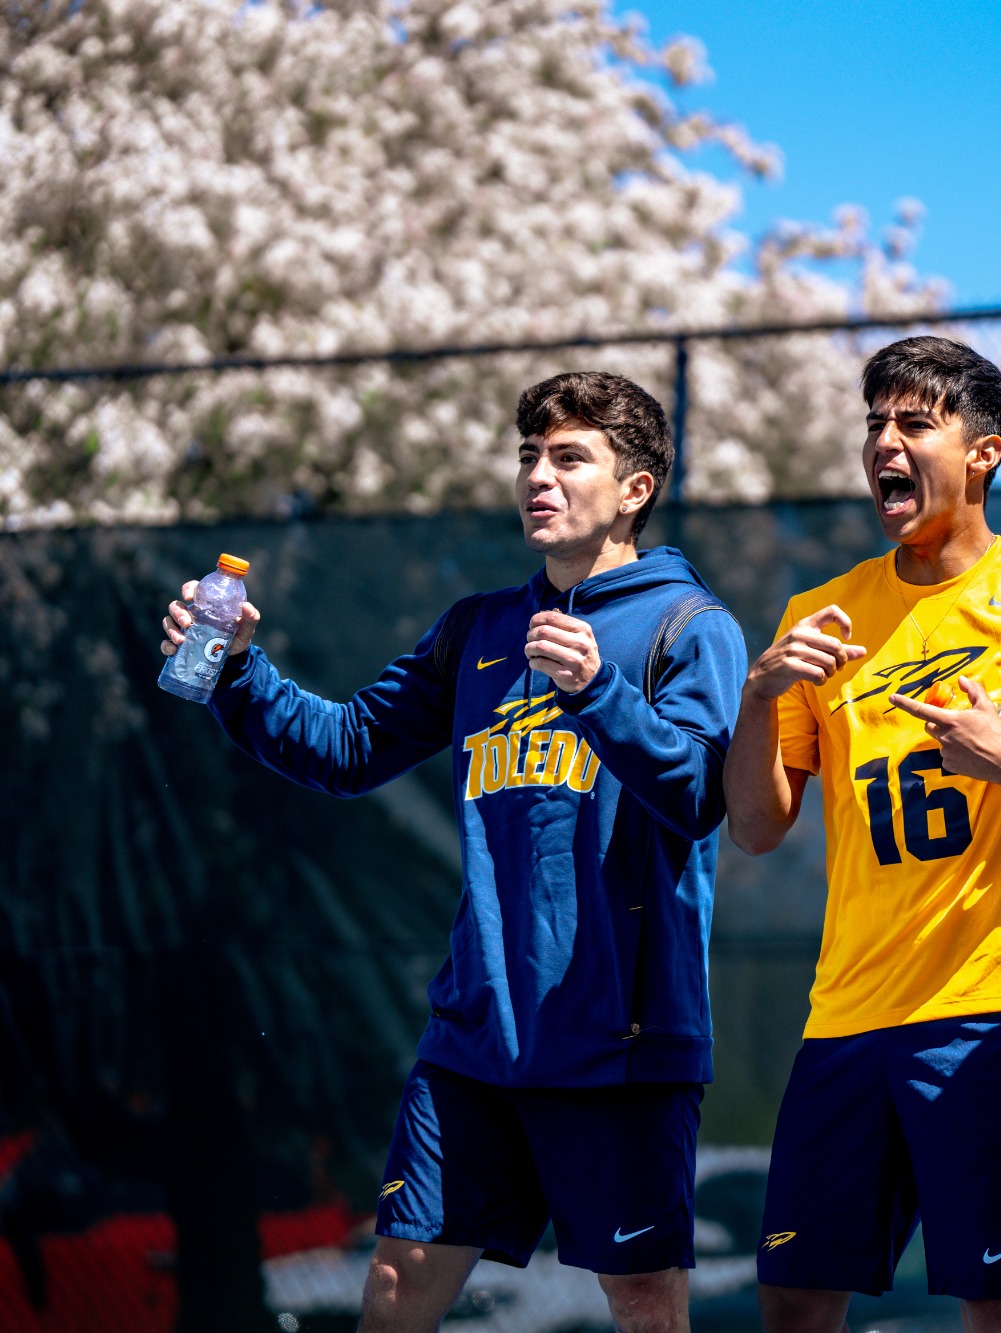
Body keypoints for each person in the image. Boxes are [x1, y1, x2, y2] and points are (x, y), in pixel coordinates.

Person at [159, 371, 747, 1333]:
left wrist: (600, 690)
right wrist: (233, 671)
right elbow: (346, 748)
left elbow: (696, 795)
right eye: (528, 459)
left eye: (568, 458)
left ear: (635, 488)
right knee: (394, 1287)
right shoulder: (480, 629)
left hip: (620, 1042)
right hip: (474, 1037)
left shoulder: (690, 627)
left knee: (643, 1301)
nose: (538, 479)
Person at [723, 336, 1001, 1333]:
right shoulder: (821, 614)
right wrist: (761, 696)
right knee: (794, 1298)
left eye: (913, 423)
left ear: (981, 453)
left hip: (995, 1003)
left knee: (993, 1302)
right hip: (847, 1010)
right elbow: (758, 828)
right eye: (873, 425)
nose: (883, 443)